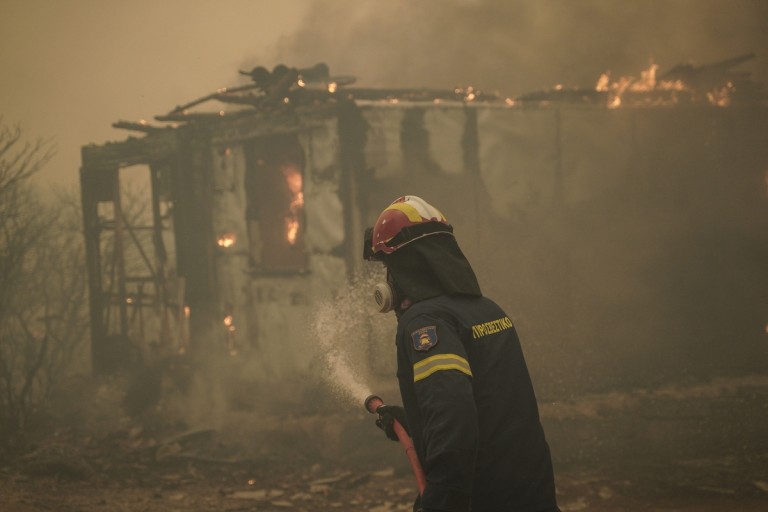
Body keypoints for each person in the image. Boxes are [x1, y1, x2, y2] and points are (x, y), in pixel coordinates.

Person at [364, 195, 560, 512]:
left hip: (481, 498)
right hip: (532, 492)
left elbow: (453, 423)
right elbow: (491, 406)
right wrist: (416, 422)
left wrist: (441, 501)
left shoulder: (426, 322)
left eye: (389, 267)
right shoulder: (488, 310)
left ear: (406, 266)